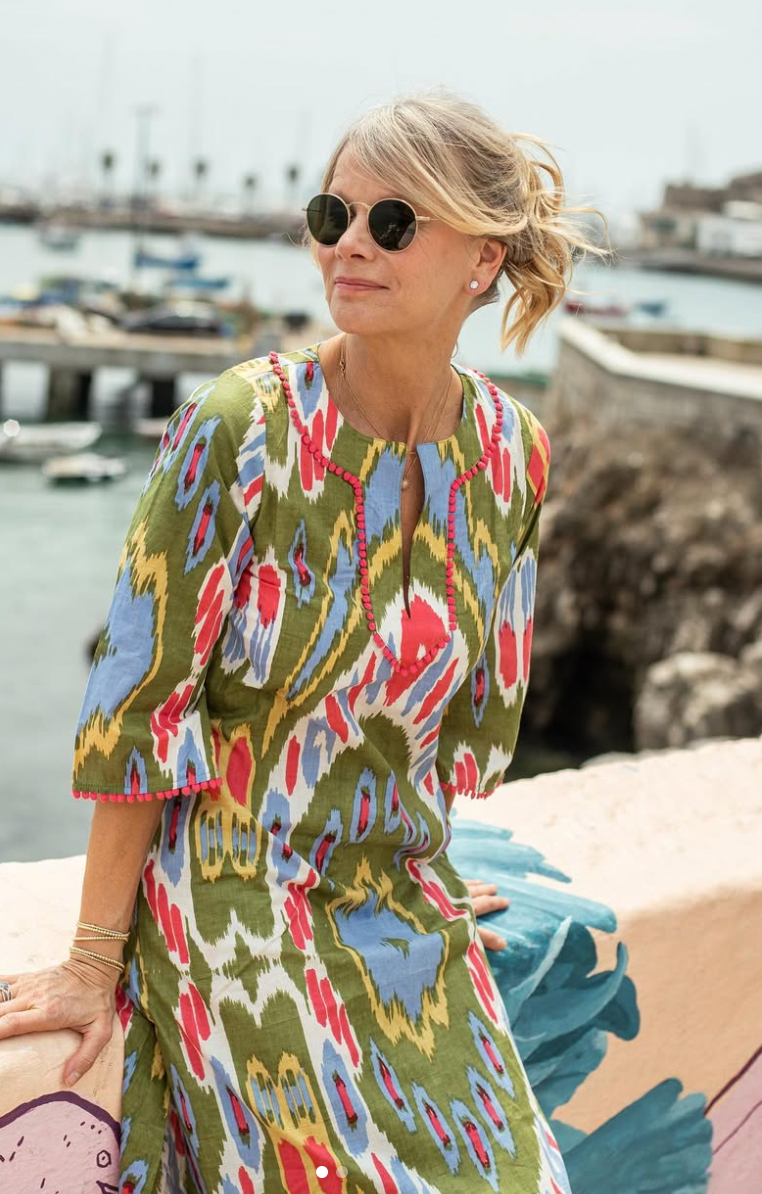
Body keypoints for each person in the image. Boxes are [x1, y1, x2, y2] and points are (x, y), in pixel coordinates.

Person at [0, 88, 606, 1192]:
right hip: (235, 904)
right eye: (335, 215)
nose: (350, 245)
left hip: (398, 894)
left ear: (483, 258)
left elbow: (455, 719)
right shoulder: (243, 428)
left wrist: (420, 860)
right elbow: (139, 709)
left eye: (393, 222)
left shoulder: (511, 452)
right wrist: (93, 961)